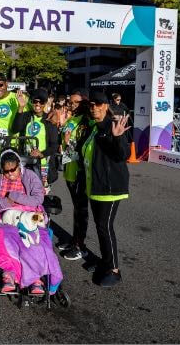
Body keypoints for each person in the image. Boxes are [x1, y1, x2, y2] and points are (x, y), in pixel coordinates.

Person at [0, 150, 63, 295]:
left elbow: (38, 199)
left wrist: (14, 196)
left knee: (34, 241)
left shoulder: (30, 176)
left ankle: (35, 278)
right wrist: (7, 202)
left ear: (19, 166)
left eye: (13, 169)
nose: (10, 174)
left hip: (31, 213)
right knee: (3, 238)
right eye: (6, 171)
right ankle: (9, 273)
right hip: (6, 215)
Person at [83, 92, 130, 288]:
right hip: (95, 186)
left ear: (106, 107)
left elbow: (122, 155)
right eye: (92, 105)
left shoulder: (112, 125)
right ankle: (105, 260)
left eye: (99, 105)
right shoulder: (95, 128)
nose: (94, 108)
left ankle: (114, 269)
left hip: (110, 187)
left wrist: (118, 138)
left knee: (105, 226)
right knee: (100, 226)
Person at [59, 89, 92, 261]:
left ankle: (81, 246)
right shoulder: (72, 118)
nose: (72, 104)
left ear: (85, 102)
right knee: (76, 209)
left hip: (81, 171)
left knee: (81, 210)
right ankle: (74, 240)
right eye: (71, 102)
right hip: (69, 168)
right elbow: (64, 141)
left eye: (76, 102)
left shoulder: (88, 120)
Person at [11, 88, 60, 191]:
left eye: (41, 101)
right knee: (24, 192)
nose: (38, 104)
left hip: (43, 164)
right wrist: (20, 108)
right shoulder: (26, 116)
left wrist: (41, 154)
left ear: (45, 103)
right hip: (25, 162)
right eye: (35, 101)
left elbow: (55, 145)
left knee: (40, 196)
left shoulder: (49, 120)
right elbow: (15, 129)